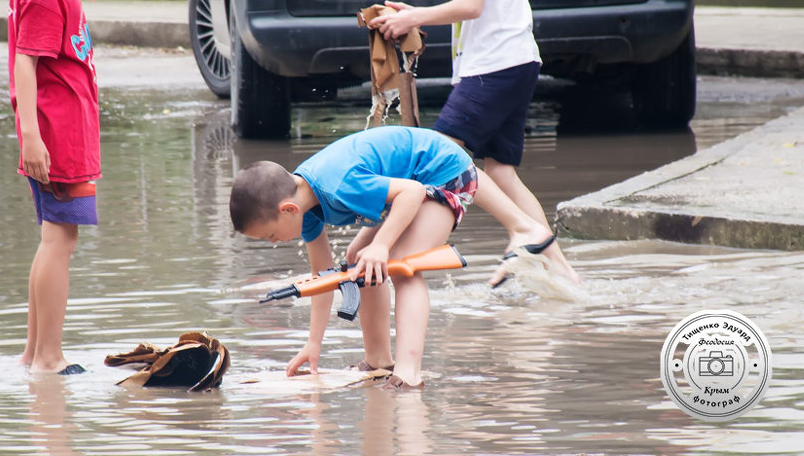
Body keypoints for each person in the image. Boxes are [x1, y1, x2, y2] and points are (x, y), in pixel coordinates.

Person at [370, 0, 578, 288]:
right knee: (500, 171)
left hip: (494, 67)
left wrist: (415, 16)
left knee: (438, 152)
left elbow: (473, 3)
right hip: (518, 61)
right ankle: (560, 269)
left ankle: (409, 254)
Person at [230, 125, 563, 389]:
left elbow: (413, 192)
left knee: (403, 265)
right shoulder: (307, 206)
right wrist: (312, 344)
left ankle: (410, 372)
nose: (275, 243)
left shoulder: (339, 184)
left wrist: (383, 245)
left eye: (270, 235)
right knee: (356, 259)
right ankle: (378, 360)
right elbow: (324, 278)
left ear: (286, 209)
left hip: (440, 175)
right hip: (412, 182)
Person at [8, 0, 120, 375]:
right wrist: (32, 134)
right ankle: (49, 357)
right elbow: (25, 64)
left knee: (54, 239)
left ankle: (35, 354)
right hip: (56, 134)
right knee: (60, 241)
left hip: (62, 130)